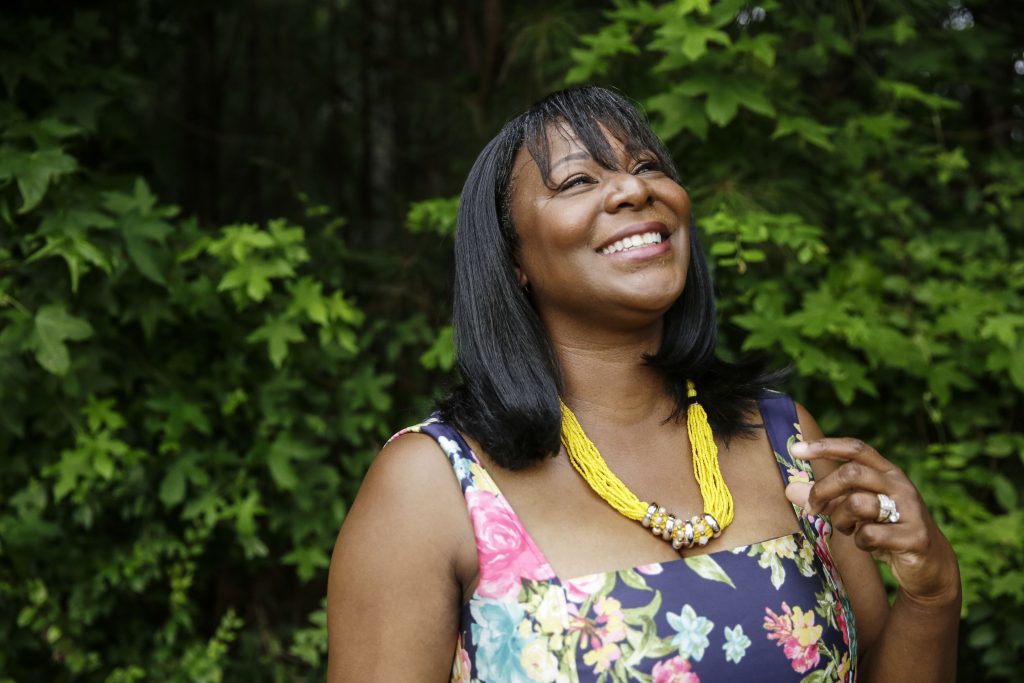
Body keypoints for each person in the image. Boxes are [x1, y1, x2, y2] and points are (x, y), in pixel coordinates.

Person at [327, 86, 961, 682]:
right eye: (578, 180)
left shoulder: (783, 441)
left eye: (648, 166)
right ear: (512, 258)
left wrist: (931, 593)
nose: (633, 189)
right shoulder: (433, 484)